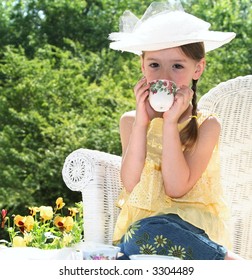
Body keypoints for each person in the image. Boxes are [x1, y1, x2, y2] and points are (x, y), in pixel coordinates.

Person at [109, 1, 243, 260]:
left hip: (192, 233)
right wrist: (142, 124)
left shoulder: (207, 125)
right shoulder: (131, 122)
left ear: (198, 69)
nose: (165, 77)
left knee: (155, 228)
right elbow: (131, 183)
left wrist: (170, 123)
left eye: (177, 66)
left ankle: (231, 263)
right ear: (142, 66)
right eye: (154, 65)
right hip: (144, 236)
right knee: (131, 244)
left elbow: (176, 188)